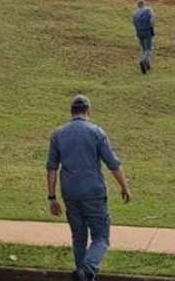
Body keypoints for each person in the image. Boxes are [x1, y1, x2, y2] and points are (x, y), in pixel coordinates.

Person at [47, 94, 132, 281]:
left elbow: (52, 168)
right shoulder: (96, 132)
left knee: (78, 237)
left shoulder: (58, 134)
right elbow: (113, 163)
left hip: (70, 192)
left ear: (71, 112)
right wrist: (124, 186)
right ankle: (88, 269)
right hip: (93, 192)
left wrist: (52, 198)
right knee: (101, 237)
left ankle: (82, 274)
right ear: (88, 111)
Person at [132, 0, 156, 74]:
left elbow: (134, 23)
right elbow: (152, 19)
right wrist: (151, 28)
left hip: (139, 32)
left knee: (143, 48)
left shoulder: (134, 13)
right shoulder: (148, 9)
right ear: (144, 4)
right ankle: (143, 61)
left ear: (138, 5)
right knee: (148, 49)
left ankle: (147, 65)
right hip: (147, 31)